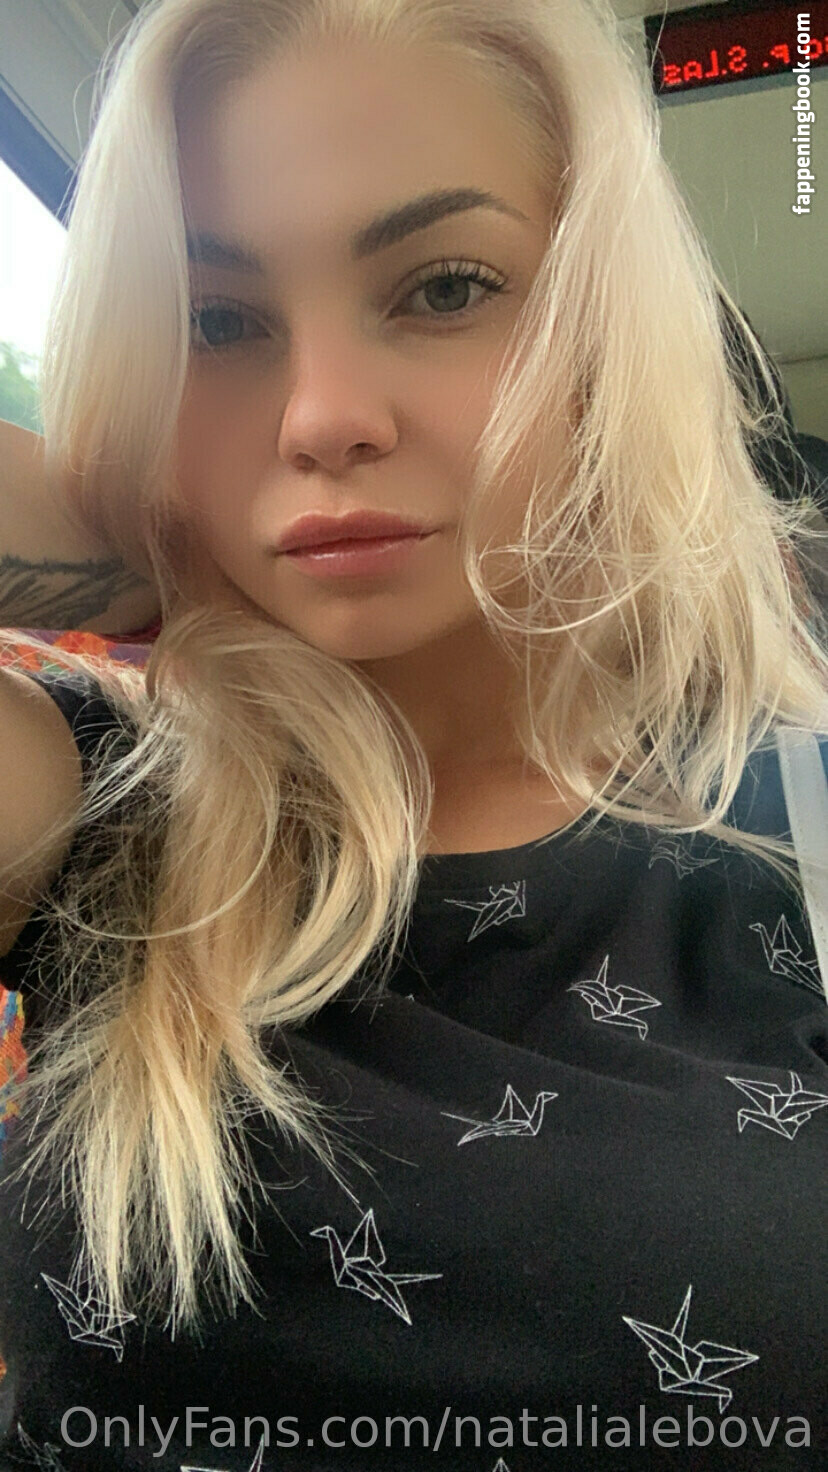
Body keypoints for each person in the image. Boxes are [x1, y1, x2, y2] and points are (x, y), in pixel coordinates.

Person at [0, 1, 827, 1468]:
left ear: (608, 327)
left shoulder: (795, 820)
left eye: (446, 287)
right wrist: (137, 506)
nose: (321, 416)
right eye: (216, 322)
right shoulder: (88, 796)